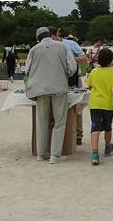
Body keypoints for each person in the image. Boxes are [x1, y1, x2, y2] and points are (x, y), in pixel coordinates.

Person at [25, 27, 77, 164]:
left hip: (40, 89)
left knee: (42, 121)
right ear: (51, 35)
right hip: (59, 87)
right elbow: (72, 68)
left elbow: (27, 70)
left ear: (38, 38)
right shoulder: (62, 47)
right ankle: (55, 156)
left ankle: (41, 154)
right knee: (59, 122)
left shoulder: (33, 50)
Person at [49, 27, 88, 145]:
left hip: (74, 79)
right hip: (55, 81)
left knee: (77, 106)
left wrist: (70, 59)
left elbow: (84, 58)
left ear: (57, 35)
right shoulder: (47, 46)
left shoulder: (71, 44)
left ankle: (78, 134)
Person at [86, 49, 113, 165]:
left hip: (95, 104)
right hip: (107, 104)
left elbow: (89, 86)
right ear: (111, 61)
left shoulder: (93, 72)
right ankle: (107, 146)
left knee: (95, 128)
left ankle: (94, 153)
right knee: (108, 127)